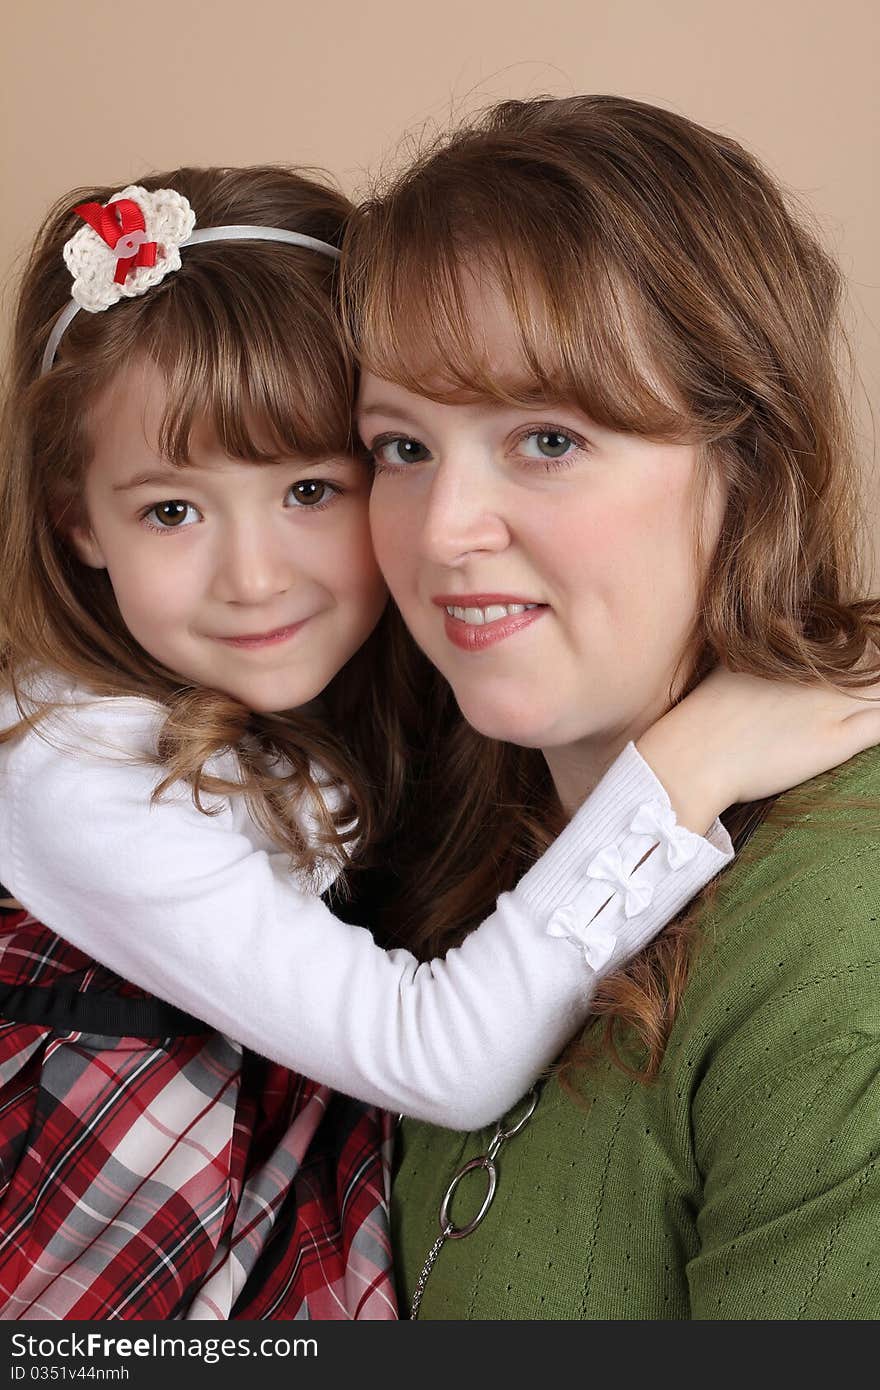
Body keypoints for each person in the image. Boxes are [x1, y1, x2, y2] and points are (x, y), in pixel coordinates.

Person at [0, 163, 808, 1321]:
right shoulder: (72, 768)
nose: (254, 575)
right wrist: (692, 764)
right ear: (79, 518)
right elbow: (441, 1057)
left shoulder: (384, 700)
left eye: (313, 490)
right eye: (171, 510)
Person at [343, 95, 880, 1319]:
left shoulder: (845, 931)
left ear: (745, 463)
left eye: (545, 438)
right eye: (401, 446)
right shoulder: (439, 815)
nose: (440, 534)